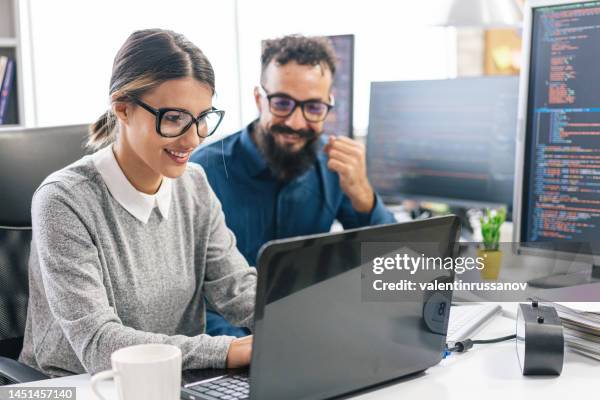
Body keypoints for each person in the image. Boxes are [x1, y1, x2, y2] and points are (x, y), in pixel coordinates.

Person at [19, 29, 255, 377]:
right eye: (174, 118)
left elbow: (236, 289)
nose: (193, 139)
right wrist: (227, 350)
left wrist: (299, 322)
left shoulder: (195, 185)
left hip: (174, 382)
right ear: (123, 109)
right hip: (77, 389)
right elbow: (99, 344)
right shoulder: (63, 200)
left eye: (202, 118)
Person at [190, 35, 396, 337]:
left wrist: (364, 196)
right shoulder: (203, 172)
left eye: (313, 107)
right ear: (260, 100)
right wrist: (253, 346)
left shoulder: (333, 166)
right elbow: (189, 299)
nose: (297, 123)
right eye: (283, 103)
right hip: (230, 350)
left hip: (312, 336)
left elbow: (393, 264)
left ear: (328, 106)